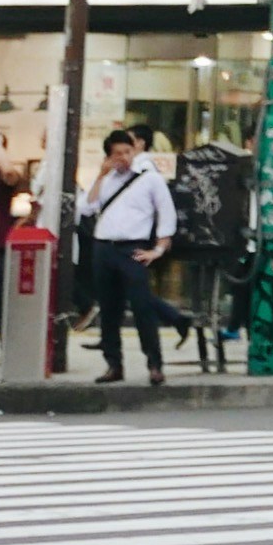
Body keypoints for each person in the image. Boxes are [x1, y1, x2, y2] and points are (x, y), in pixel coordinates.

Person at [76, 128, 186, 389]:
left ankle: (154, 363)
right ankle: (114, 363)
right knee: (109, 309)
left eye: (128, 151)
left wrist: (158, 249)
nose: (124, 157)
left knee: (142, 307)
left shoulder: (149, 178)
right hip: (104, 247)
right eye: (118, 153)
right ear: (109, 156)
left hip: (133, 248)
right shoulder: (107, 179)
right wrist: (101, 175)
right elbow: (86, 207)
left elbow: (166, 213)